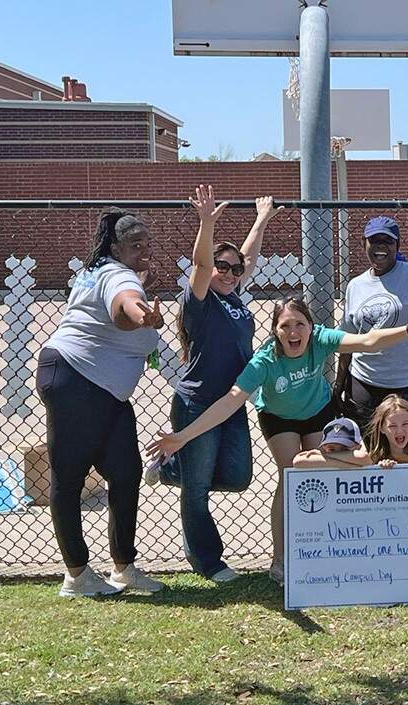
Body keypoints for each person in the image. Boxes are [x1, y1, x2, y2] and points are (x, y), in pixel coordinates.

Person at [147, 297, 408, 583]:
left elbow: (368, 341)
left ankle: (321, 550)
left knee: (319, 475)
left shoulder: (320, 339)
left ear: (310, 327)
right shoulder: (264, 362)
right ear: (275, 331)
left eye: (300, 324)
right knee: (290, 475)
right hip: (279, 417)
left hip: (317, 410)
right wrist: (182, 437)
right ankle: (280, 560)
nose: (294, 332)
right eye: (285, 326)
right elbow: (231, 401)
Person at [151, 186, 280, 583]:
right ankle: (208, 561)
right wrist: (206, 223)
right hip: (197, 403)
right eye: (222, 267)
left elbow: (248, 257)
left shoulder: (235, 297)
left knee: (238, 476)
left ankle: (172, 468)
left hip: (231, 403)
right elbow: (202, 264)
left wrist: (261, 220)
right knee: (197, 491)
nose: (229, 273)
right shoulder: (200, 300)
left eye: (234, 270)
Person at [38, 207, 167, 597]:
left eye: (147, 243)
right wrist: (141, 316)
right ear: (115, 248)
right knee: (69, 479)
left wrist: (139, 296)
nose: (145, 250)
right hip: (79, 381)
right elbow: (123, 307)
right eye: (135, 245)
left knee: (126, 472)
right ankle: (77, 575)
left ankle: (123, 568)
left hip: (101, 389)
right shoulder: (116, 275)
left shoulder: (100, 271)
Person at [336, 215, 408, 433]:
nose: (380, 246)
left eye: (387, 241)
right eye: (374, 240)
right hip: (365, 380)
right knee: (371, 448)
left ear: (397, 246)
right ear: (363, 244)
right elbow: (349, 342)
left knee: (404, 446)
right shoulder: (355, 286)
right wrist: (339, 385)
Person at [366, 395, 408, 469]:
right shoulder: (375, 458)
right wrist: (380, 469)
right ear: (381, 428)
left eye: (405, 424)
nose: (400, 431)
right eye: (392, 426)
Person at [292, 418, 371, 470]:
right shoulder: (323, 457)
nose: (337, 452)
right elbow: (297, 462)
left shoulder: (363, 457)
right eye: (331, 449)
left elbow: (364, 458)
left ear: (358, 447)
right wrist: (345, 465)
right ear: (324, 447)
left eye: (344, 449)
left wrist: (323, 455)